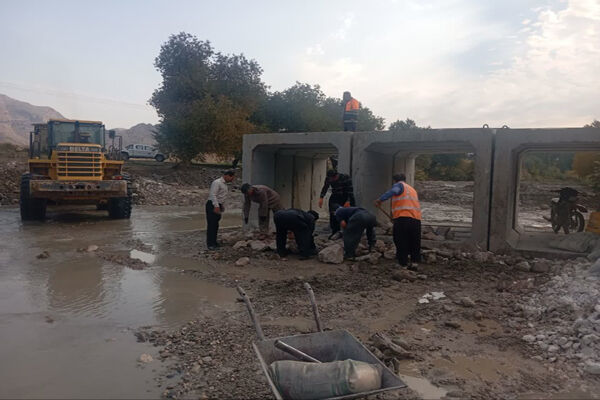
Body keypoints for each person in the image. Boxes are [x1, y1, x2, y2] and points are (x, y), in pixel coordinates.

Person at [374, 173, 421, 270]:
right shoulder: (412, 189)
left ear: (395, 181)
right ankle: (414, 263)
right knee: (414, 241)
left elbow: (393, 191)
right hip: (416, 220)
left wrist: (380, 200)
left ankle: (403, 264)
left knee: (401, 240)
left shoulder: (399, 185)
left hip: (403, 219)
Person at [318, 169, 356, 239]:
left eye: (332, 179)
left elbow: (350, 191)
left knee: (349, 214)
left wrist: (348, 201)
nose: (331, 180)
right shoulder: (328, 178)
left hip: (346, 196)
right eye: (330, 179)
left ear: (336, 176)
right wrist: (321, 197)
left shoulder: (345, 178)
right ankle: (335, 231)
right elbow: (325, 187)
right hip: (335, 196)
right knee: (333, 214)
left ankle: (349, 232)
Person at [206, 170, 236, 250]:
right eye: (232, 177)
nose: (232, 180)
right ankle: (210, 244)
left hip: (218, 205)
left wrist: (221, 206)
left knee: (216, 224)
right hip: (212, 204)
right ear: (227, 175)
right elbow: (213, 195)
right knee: (211, 225)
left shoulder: (224, 184)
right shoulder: (217, 182)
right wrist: (216, 206)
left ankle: (214, 242)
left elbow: (221, 197)